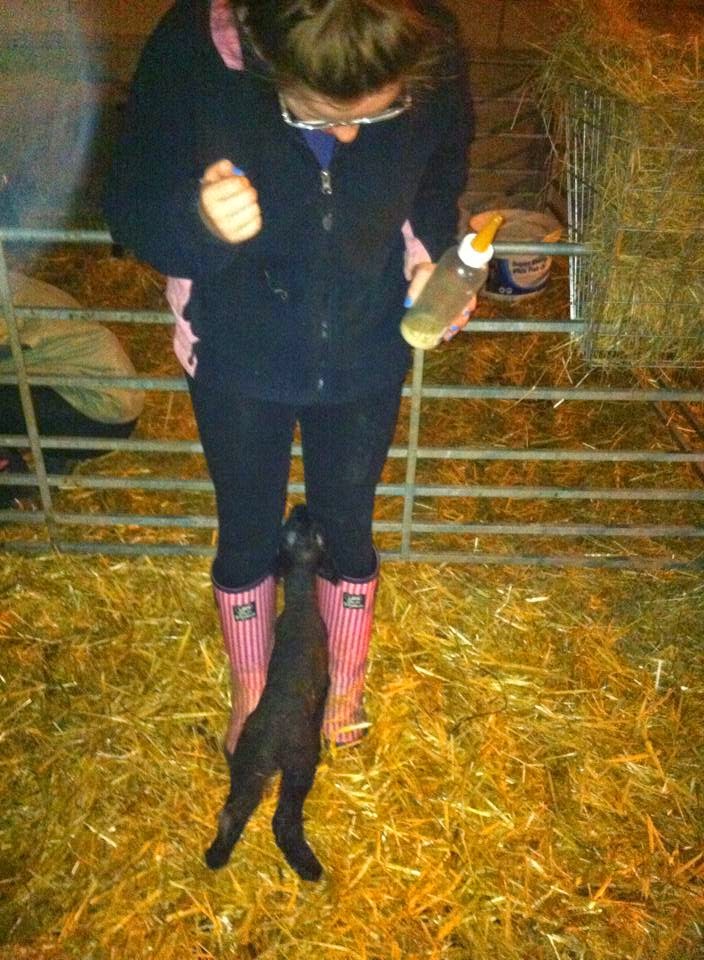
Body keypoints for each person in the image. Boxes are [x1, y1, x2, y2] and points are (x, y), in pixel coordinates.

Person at [104, 0, 474, 752]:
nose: (349, 135)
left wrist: (428, 258)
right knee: (247, 529)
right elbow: (131, 207)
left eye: (377, 114)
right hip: (237, 349)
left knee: (349, 524)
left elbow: (439, 173)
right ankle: (255, 691)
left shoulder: (427, 39)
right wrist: (199, 222)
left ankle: (343, 681)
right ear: (267, 62)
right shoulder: (192, 50)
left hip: (366, 345)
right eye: (317, 115)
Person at [0, 271, 144, 508]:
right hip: (108, 399)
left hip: (98, 414)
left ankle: (14, 489)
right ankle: (54, 460)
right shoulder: (13, 284)